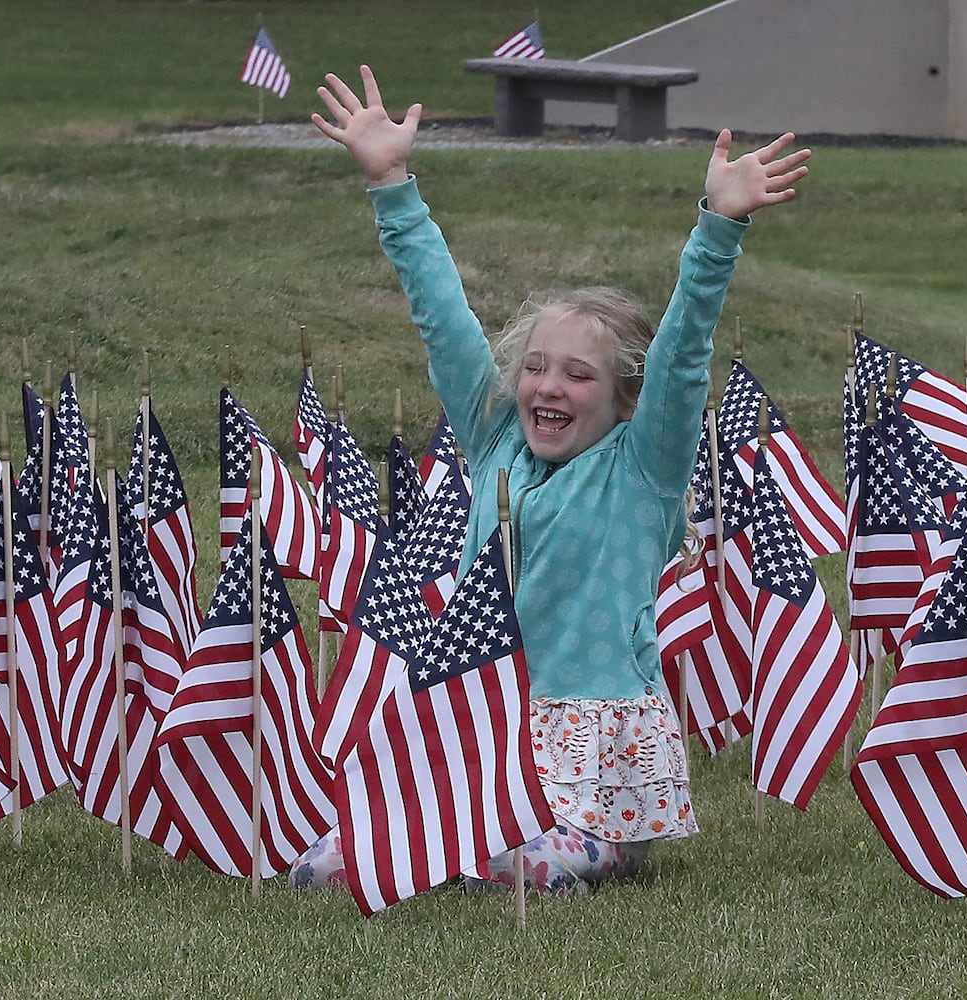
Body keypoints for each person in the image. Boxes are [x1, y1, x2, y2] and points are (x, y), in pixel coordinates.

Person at [290, 65, 810, 896]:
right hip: (480, 728)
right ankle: (460, 843)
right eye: (534, 368)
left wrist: (718, 228)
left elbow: (682, 354)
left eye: (576, 376)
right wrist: (391, 182)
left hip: (592, 762)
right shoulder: (495, 436)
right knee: (327, 865)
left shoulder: (646, 466)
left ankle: (531, 854)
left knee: (530, 864)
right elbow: (442, 316)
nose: (546, 388)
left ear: (621, 398)